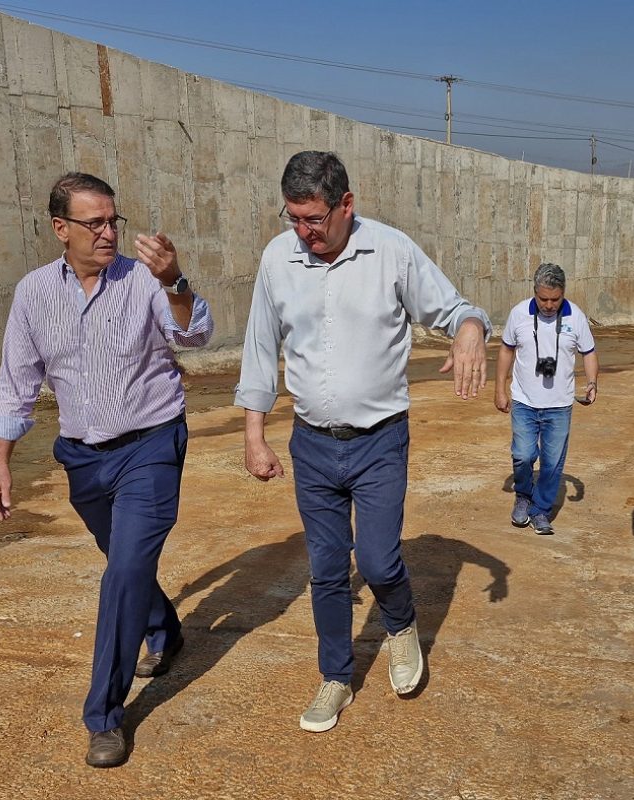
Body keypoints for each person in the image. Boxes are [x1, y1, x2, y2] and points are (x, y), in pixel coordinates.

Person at [235, 151, 491, 733]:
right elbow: (258, 346)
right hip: (312, 445)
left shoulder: (391, 252)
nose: (303, 233)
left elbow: (454, 310)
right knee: (326, 567)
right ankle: (335, 677)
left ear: (346, 205)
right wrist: (255, 435)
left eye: (314, 220)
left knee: (376, 559)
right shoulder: (278, 258)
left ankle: (400, 626)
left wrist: (473, 331)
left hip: (379, 442)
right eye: (292, 218)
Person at [0, 172, 213, 768]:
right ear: (61, 228)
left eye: (114, 220)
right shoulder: (34, 294)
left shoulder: (142, 281)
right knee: (127, 565)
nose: (109, 232)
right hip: (83, 456)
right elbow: (16, 384)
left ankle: (105, 716)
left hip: (152, 446)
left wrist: (175, 282)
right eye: (95, 223)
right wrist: (1, 464)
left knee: (124, 571)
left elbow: (193, 334)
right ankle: (164, 629)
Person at [494, 263, 598, 535]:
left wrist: (592, 382)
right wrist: (499, 389)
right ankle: (523, 496)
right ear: (534, 293)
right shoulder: (519, 314)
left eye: (555, 299)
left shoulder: (575, 316)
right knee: (523, 454)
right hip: (524, 401)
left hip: (559, 405)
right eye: (543, 299)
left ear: (563, 293)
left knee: (552, 463)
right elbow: (506, 350)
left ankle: (540, 510)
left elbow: (588, 352)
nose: (549, 305)